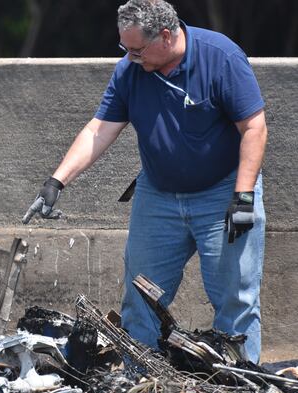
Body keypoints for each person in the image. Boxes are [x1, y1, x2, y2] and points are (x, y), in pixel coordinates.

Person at [22, 0, 267, 362]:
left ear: (165, 37)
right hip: (159, 195)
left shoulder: (220, 57)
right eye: (126, 49)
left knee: (235, 297)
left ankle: (244, 385)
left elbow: (254, 128)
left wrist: (243, 197)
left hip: (223, 192)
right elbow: (99, 129)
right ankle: (141, 385)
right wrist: (56, 182)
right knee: (140, 298)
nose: (130, 58)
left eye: (136, 50)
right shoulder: (130, 71)